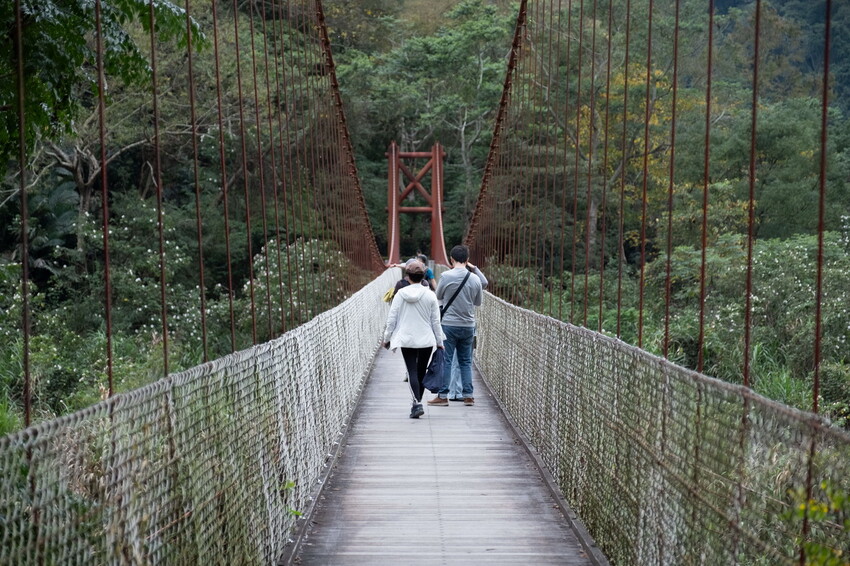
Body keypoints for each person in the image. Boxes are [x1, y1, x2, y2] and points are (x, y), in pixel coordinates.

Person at [383, 260, 445, 418]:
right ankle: (417, 402)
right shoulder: (430, 295)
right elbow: (436, 322)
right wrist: (440, 342)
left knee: (412, 371)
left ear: (407, 276)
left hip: (406, 338)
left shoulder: (400, 294)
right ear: (423, 276)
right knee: (421, 371)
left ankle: (416, 403)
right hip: (426, 339)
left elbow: (391, 319)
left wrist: (387, 338)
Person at [428, 245, 487, 407]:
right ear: (467, 260)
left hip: (449, 324)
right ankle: (468, 395)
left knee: (446, 360)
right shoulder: (475, 279)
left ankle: (442, 396)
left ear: (451, 259)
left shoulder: (446, 276)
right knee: (466, 361)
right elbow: (478, 302)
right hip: (468, 325)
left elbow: (438, 295)